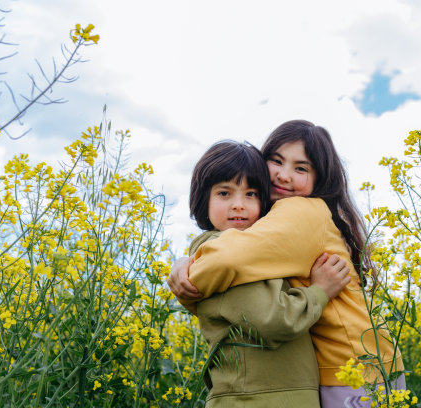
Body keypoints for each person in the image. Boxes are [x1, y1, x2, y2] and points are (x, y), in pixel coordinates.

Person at [170, 120, 405, 407]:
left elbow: (229, 257)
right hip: (350, 366)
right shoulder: (276, 218)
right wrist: (184, 260)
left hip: (352, 368)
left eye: (301, 168)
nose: (283, 175)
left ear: (320, 178)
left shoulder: (299, 211)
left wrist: (187, 274)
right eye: (276, 161)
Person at [184, 140, 350, 407]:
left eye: (251, 194)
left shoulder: (252, 249)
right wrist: (320, 292)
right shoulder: (222, 255)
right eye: (224, 193)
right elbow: (273, 322)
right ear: (203, 199)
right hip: (253, 400)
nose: (238, 205)